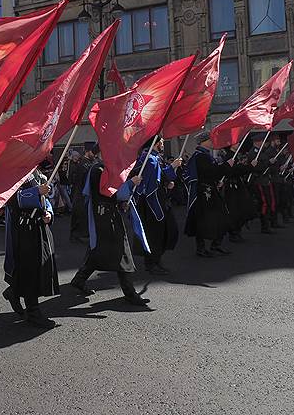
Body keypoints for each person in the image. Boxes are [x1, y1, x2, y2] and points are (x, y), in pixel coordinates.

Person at [70, 144, 150, 306]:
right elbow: (106, 191)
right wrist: (129, 185)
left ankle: (79, 279)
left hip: (110, 214)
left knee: (100, 250)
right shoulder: (97, 170)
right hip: (102, 217)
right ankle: (130, 293)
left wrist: (122, 203)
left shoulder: (107, 168)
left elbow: (114, 194)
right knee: (122, 251)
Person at [2, 169, 59, 328]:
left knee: (40, 268)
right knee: (30, 271)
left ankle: (13, 291)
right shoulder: (12, 173)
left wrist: (49, 212)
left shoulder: (38, 173)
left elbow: (45, 199)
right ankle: (33, 312)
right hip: (23, 229)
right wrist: (35, 191)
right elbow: (11, 200)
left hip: (39, 226)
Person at [132, 136, 181, 275]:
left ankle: (156, 260)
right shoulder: (150, 158)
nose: (163, 144)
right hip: (151, 202)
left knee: (164, 230)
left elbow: (159, 176)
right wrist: (172, 167)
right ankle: (151, 263)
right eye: (161, 142)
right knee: (154, 232)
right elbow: (153, 180)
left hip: (158, 199)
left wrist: (167, 182)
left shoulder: (153, 157)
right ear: (155, 143)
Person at [184, 131, 233, 257]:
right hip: (204, 193)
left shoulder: (204, 155)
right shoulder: (200, 156)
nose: (212, 141)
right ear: (203, 142)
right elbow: (211, 172)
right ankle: (202, 248)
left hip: (209, 189)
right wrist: (226, 165)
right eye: (210, 139)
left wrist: (217, 181)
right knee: (204, 219)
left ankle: (214, 245)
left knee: (218, 217)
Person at [220, 148, 255, 242]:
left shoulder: (235, 155)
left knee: (241, 208)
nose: (239, 144)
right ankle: (233, 232)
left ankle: (237, 230)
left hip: (238, 185)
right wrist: (249, 167)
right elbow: (234, 170)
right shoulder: (230, 156)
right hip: (232, 186)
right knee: (234, 209)